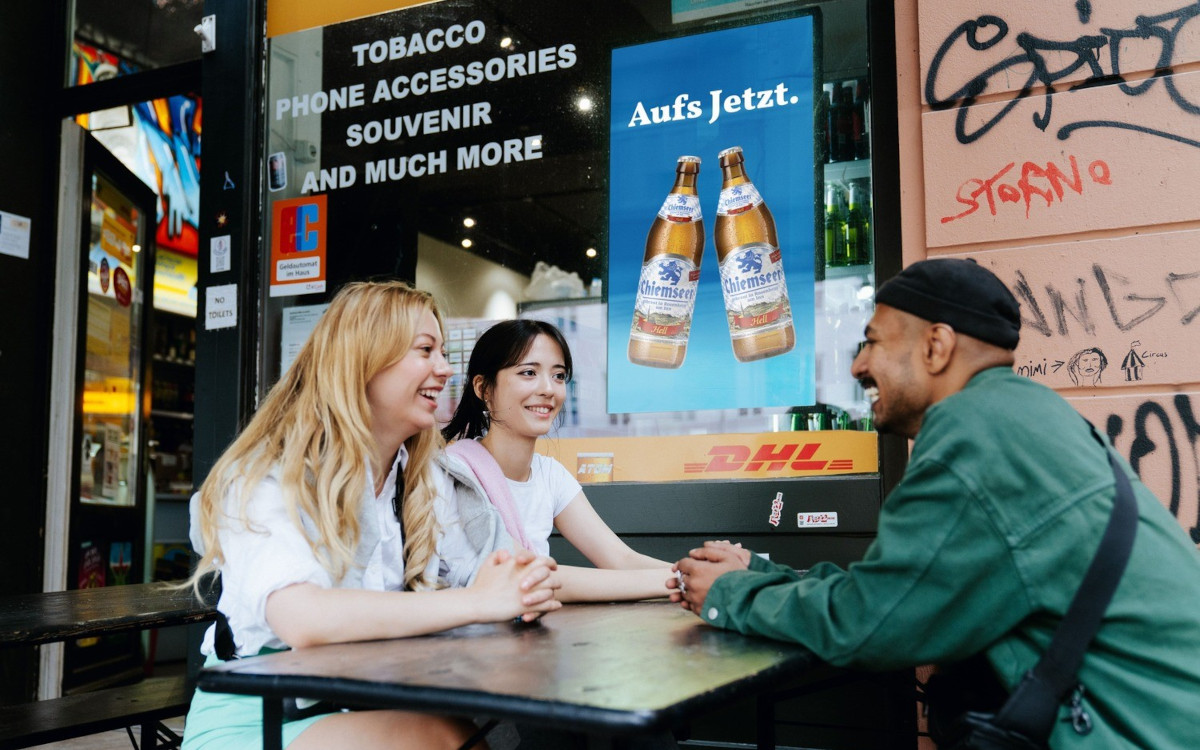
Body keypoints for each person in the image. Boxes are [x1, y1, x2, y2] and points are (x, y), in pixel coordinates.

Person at [670, 259, 1200, 748]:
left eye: (872, 341)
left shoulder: (974, 435)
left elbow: (870, 624)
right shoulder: (1019, 414)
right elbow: (904, 587)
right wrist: (763, 573)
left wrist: (732, 595)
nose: (857, 366)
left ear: (936, 346)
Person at [183, 281, 562, 750]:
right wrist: (480, 601)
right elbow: (302, 617)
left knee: (467, 734)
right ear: (364, 358)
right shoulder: (269, 473)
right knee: (441, 739)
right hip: (257, 715)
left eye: (442, 352)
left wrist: (516, 584)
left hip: (362, 702)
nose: (445, 370)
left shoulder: (417, 478)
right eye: (425, 350)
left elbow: (501, 576)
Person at [441, 319, 674, 602]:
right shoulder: (454, 473)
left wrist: (706, 576)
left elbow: (621, 558)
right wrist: (679, 581)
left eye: (559, 376)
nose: (548, 389)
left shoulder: (550, 474)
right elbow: (525, 576)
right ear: (483, 389)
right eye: (528, 373)